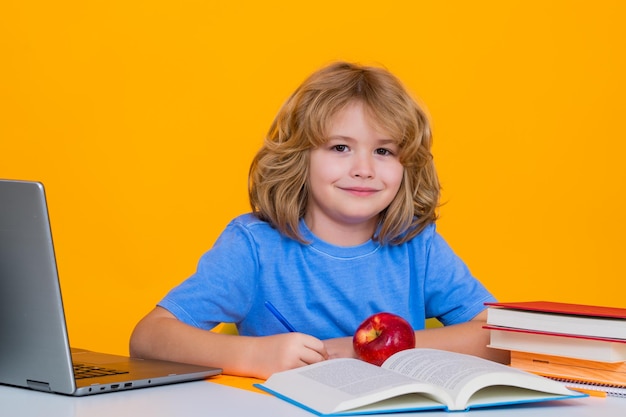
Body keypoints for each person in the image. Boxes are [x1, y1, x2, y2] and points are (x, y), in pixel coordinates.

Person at [130, 61, 509, 379]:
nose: (364, 169)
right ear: (301, 156)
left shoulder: (416, 244)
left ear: (405, 165)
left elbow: (499, 338)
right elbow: (148, 338)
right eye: (340, 147)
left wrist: (360, 350)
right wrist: (253, 356)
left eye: (383, 150)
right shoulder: (254, 246)